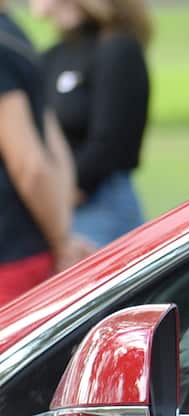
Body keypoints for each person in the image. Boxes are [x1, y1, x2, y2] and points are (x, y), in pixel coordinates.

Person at [32, 0, 150, 247]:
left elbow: (110, 145)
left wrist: (54, 192)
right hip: (58, 208)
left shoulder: (117, 49)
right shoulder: (51, 57)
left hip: (99, 209)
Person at [0, 1, 88, 303]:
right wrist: (62, 237)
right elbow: (41, 156)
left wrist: (62, 239)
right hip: (22, 252)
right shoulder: (12, 37)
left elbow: (35, 159)